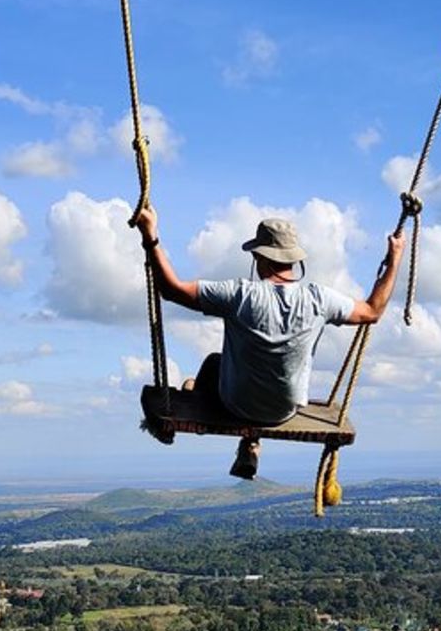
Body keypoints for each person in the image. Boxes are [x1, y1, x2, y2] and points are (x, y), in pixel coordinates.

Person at [132, 205, 405, 479]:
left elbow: (171, 290)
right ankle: (250, 444)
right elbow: (372, 311)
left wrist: (150, 236)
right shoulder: (319, 300)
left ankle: (202, 399)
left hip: (236, 405)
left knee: (213, 363)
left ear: (260, 257)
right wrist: (394, 259)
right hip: (283, 410)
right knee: (245, 375)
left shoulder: (239, 294)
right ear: (294, 261)